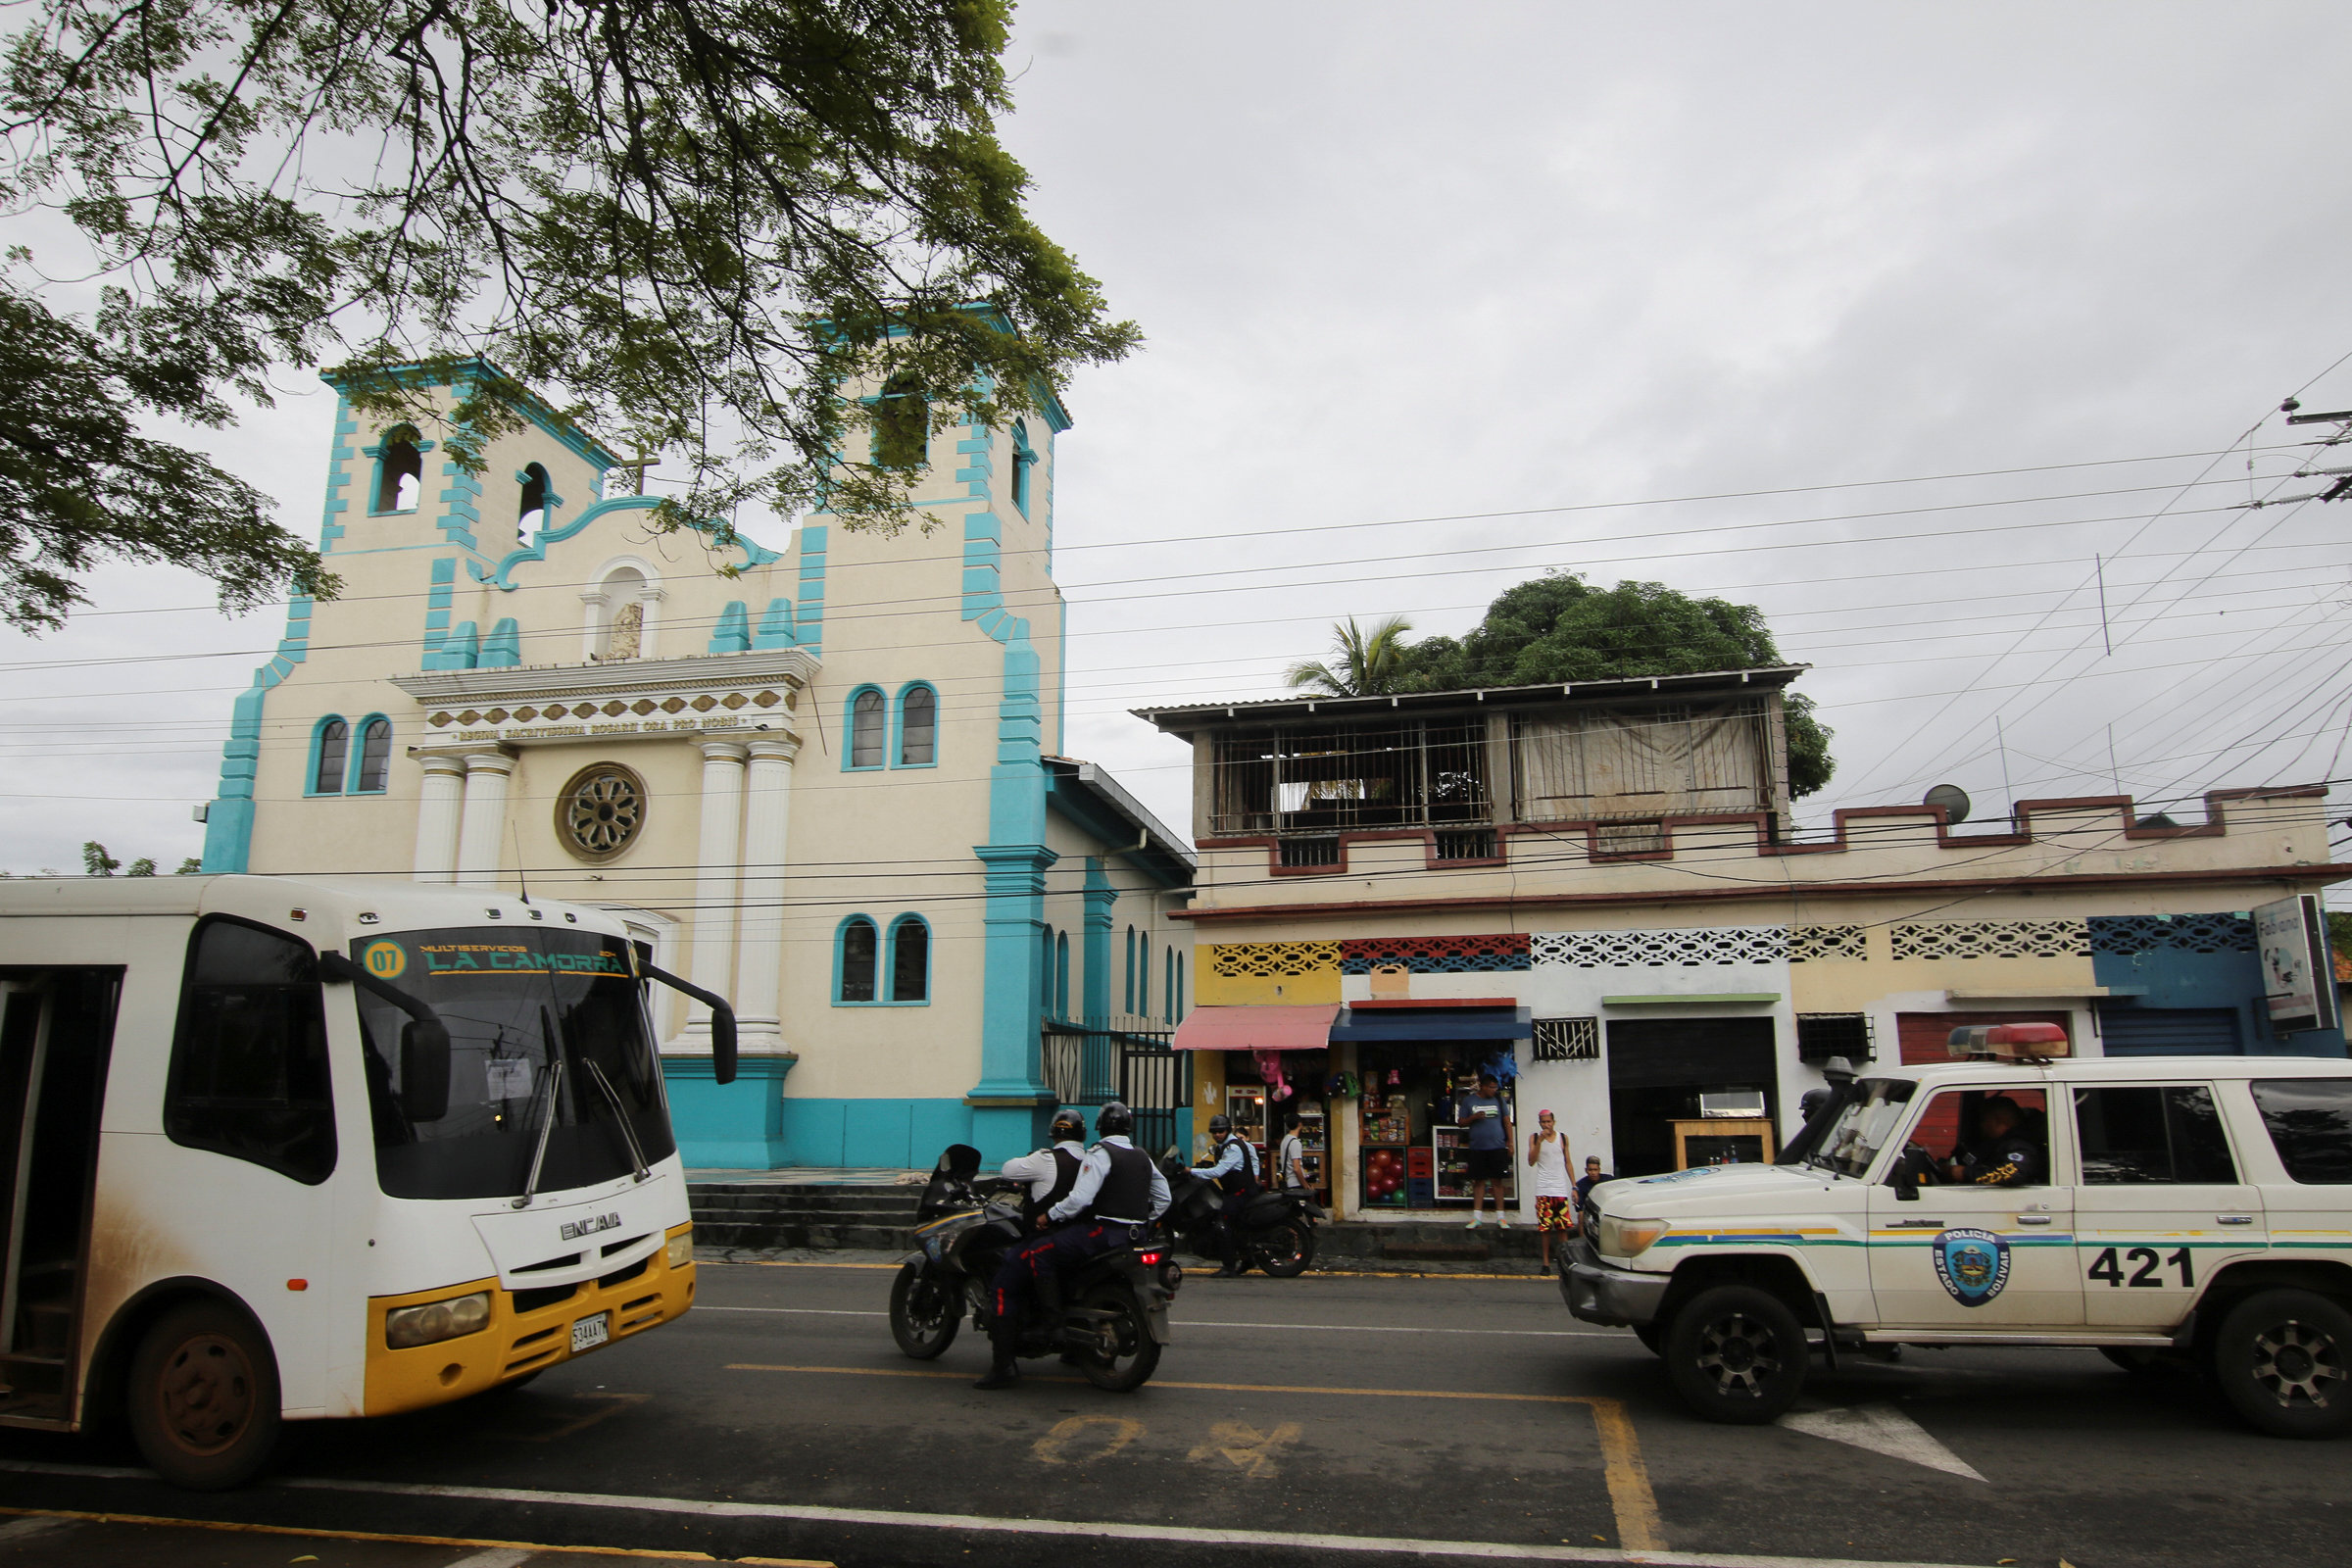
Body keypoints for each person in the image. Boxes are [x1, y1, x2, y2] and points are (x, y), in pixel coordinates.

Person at [977, 1101, 1170, 1390]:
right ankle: (1071, 1344)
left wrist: (1050, 1215)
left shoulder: (1100, 1154)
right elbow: (1163, 1197)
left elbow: (1081, 1199)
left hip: (1103, 1232)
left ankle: (1048, 1329)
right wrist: (1142, 1218)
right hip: (1135, 1235)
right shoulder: (1142, 1155)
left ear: (1100, 1127)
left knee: (1037, 1254)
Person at [1197, 1112, 1262, 1277]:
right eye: (1215, 1132)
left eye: (1221, 1131)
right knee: (1237, 1227)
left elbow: (1219, 1170)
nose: (1217, 1134)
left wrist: (1192, 1171)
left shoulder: (1233, 1147)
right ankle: (1247, 1259)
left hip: (1240, 1193)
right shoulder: (1223, 1147)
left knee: (1223, 1225)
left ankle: (1228, 1266)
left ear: (1227, 1130)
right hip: (1236, 1192)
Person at [1944, 1096, 2043, 1188]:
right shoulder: (1993, 1143)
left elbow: (2011, 1174)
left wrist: (1964, 1173)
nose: (1981, 1125)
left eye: (1983, 1120)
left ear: (1997, 1120)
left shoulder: (2020, 1145)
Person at [1457, 1073, 1512, 1228]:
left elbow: (1507, 1122)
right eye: (1491, 1087)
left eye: (1496, 1087)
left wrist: (1511, 1142)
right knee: (1479, 1181)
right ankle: (1477, 1216)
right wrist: (1473, 1118)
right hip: (1477, 1147)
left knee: (1497, 1181)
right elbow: (1460, 1123)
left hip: (1497, 1146)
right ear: (1483, 1086)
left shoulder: (1499, 1100)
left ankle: (1501, 1217)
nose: (1494, 1090)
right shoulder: (1469, 1100)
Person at [1526, 1108, 1575, 1268]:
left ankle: (1564, 1261)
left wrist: (1574, 1186)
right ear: (1539, 1123)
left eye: (1549, 1121)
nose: (1546, 1125)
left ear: (1554, 1122)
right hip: (1543, 1189)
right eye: (1543, 1122)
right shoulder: (1534, 1138)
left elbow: (1568, 1162)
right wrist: (1539, 1142)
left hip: (1559, 1188)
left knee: (1563, 1228)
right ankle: (1546, 1262)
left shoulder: (1562, 1138)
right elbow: (1531, 1161)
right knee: (1545, 1229)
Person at [1276, 1112, 1308, 1193]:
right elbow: (1296, 1168)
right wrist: (1305, 1185)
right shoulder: (1295, 1142)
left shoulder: (1285, 1140)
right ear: (1300, 1124)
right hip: (1295, 1184)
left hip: (1288, 1182)